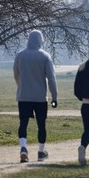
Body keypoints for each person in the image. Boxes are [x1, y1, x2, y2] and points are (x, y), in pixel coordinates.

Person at [13, 30, 58, 163]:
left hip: (23, 95)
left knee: (23, 123)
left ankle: (23, 148)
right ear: (40, 40)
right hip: (39, 97)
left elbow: (16, 75)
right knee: (41, 125)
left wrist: (21, 86)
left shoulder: (19, 56)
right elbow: (51, 78)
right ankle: (40, 151)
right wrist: (54, 97)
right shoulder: (44, 56)